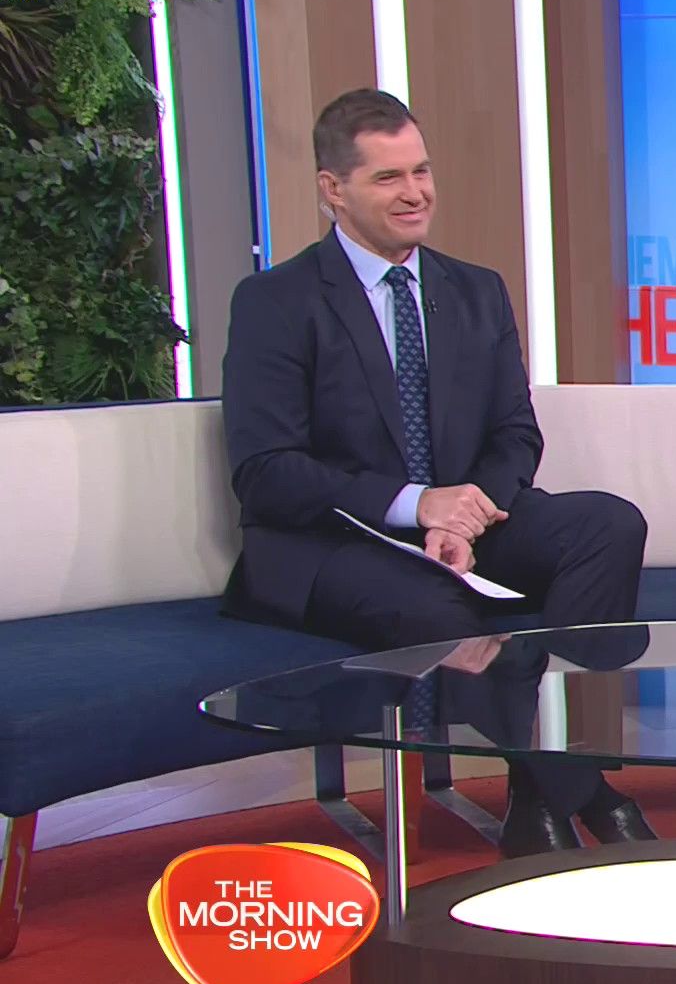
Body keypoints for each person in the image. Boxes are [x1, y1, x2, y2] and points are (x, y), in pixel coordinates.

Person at [220, 89, 653, 859]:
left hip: (466, 526)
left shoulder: (474, 290)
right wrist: (419, 505)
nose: (415, 192)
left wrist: (468, 513)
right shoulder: (276, 302)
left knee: (607, 524)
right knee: (437, 604)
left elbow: (515, 433)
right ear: (333, 189)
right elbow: (266, 473)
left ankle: (538, 793)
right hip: (338, 545)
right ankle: (580, 791)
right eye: (388, 177)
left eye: (421, 171)